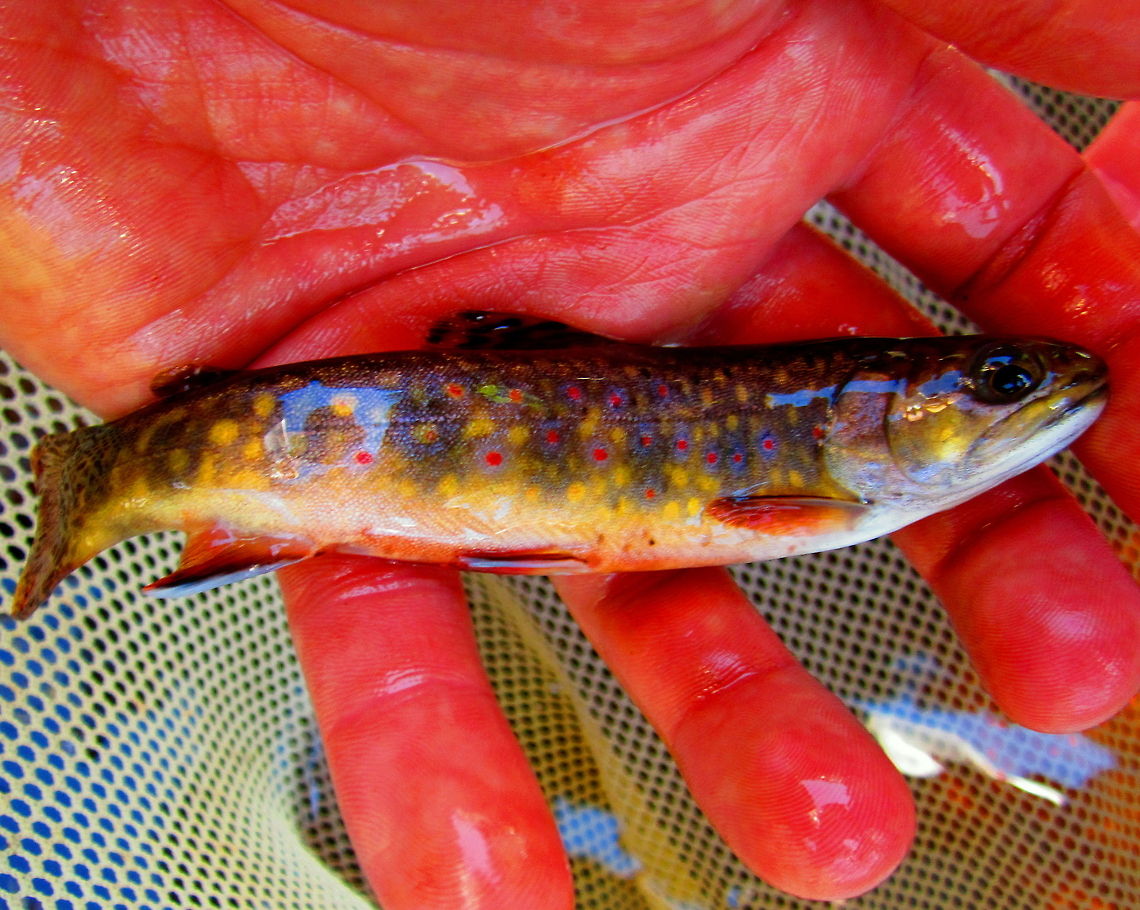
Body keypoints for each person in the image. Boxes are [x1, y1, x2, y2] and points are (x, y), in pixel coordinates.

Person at [2, 1, 1139, 906]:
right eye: (998, 385)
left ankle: (123, 478)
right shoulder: (814, 487)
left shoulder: (828, 472)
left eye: (1005, 386)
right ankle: (109, 480)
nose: (1037, 393)